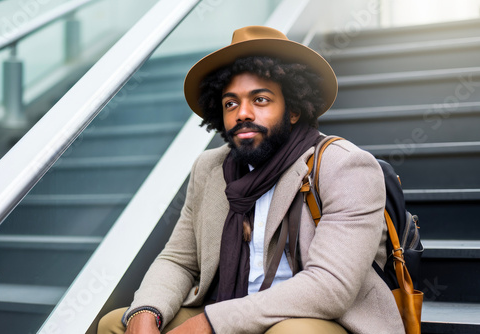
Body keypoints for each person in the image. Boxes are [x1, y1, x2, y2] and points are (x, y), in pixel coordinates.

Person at [98, 26, 405, 334]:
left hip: (322, 320)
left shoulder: (343, 165)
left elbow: (329, 287)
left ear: (294, 109)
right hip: (231, 310)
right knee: (115, 324)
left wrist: (212, 322)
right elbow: (179, 260)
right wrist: (147, 310)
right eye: (231, 103)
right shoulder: (209, 168)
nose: (242, 113)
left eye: (260, 99)